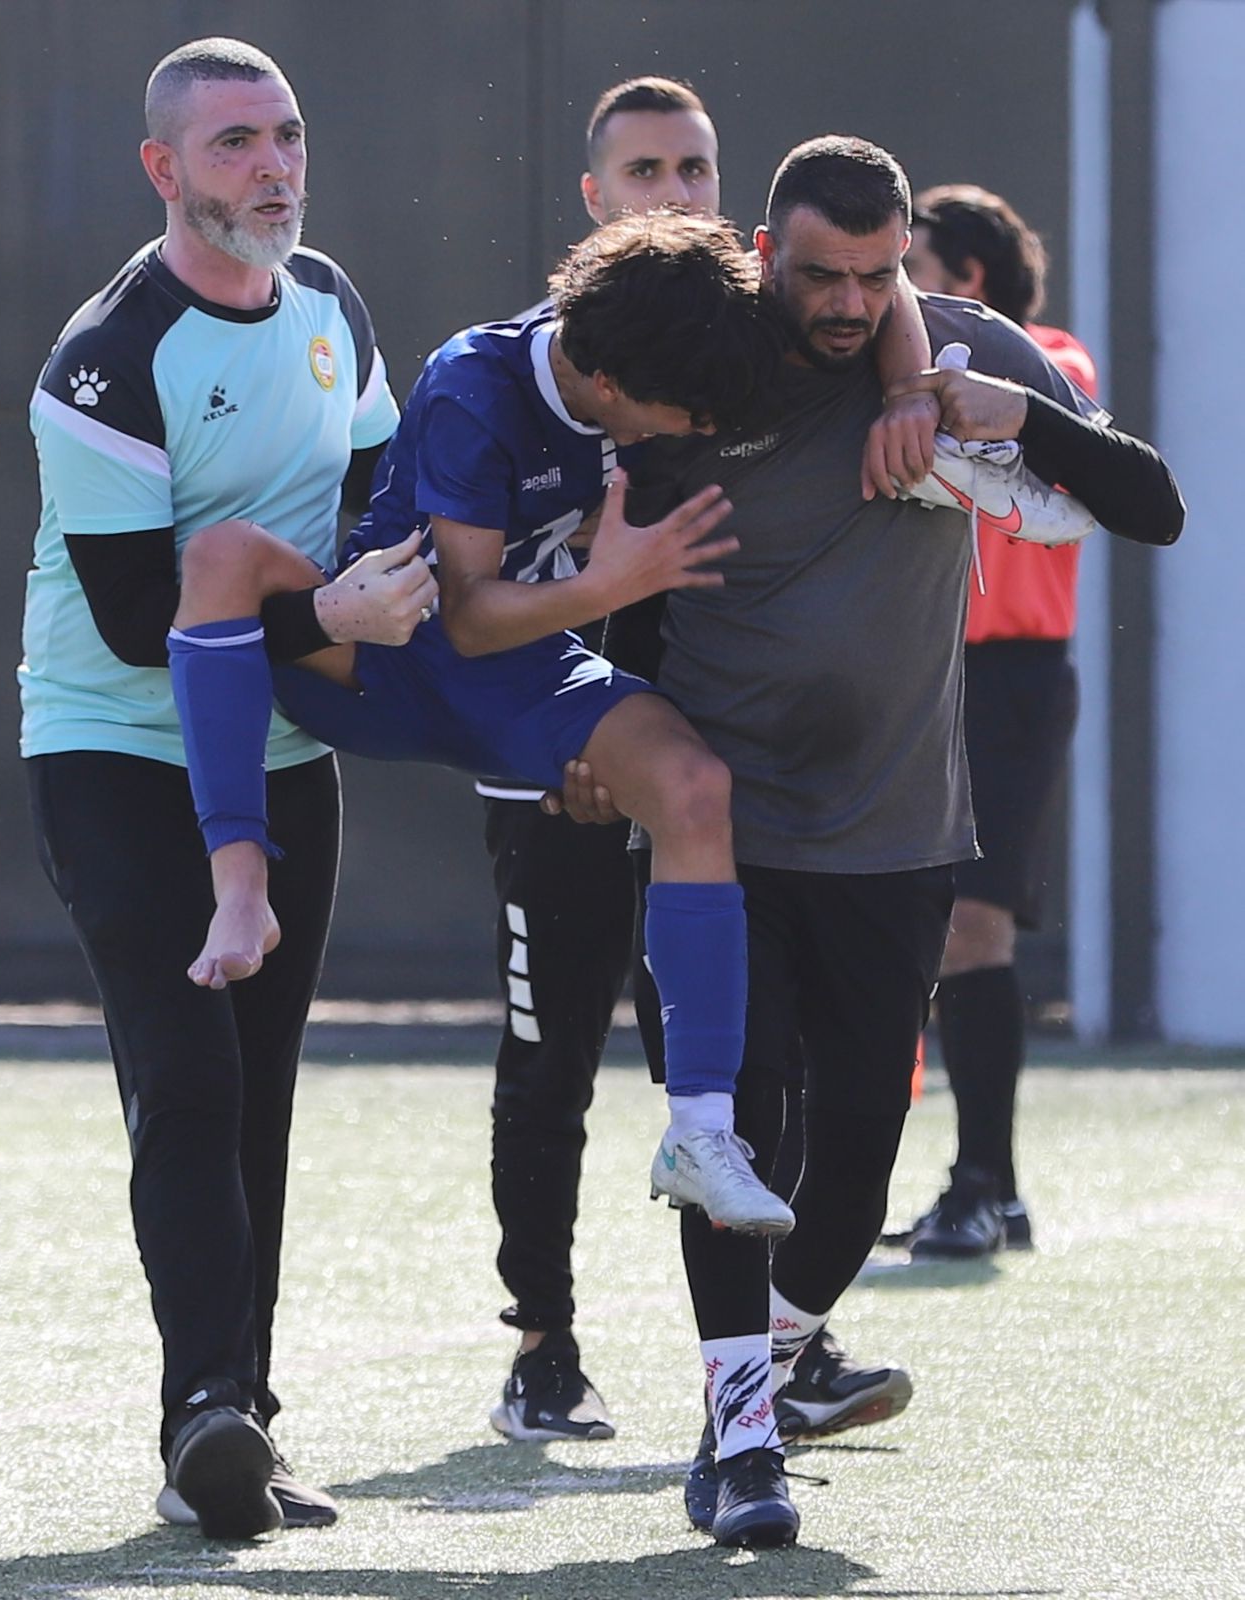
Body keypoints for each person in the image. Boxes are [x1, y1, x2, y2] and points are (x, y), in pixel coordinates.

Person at [590, 136, 1182, 1547]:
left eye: (875, 276)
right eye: (819, 274)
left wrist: (1012, 417)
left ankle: (772, 1371)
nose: (849, 304)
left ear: (907, 260)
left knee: (856, 1155)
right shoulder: (704, 353)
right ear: (763, 254)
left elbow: (1153, 508)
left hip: (897, 833)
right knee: (735, 1135)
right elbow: (622, 569)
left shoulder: (963, 351)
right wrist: (598, 740)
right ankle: (743, 1442)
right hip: (717, 834)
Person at [165, 215, 801, 1260]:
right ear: (606, 383)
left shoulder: (663, 342)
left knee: (694, 788)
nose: (694, 428)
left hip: (520, 674)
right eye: (681, 416)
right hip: (384, 653)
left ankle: (699, 1130)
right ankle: (240, 884)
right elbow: (462, 617)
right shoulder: (479, 382)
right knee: (223, 556)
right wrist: (612, 582)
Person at [481, 76, 925, 1449]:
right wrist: (568, 722)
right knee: (550, 1058)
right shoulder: (541, 358)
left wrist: (913, 384)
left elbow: (893, 295)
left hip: (702, 784)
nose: (671, 192)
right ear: (592, 201)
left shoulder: (757, 326)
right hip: (565, 751)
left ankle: (778, 1352)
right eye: (644, 172)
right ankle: (543, 1349)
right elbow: (495, 574)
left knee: (733, 1086)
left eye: (693, 171)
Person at [20, 37, 408, 1539]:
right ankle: (201, 1418)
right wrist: (332, 615)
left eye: (286, 134)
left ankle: (244, 1416)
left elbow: (379, 501)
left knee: (257, 1088)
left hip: (281, 751)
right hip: (113, 750)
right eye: (235, 142)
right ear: (162, 168)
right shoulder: (106, 359)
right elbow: (138, 622)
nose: (273, 166)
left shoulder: (333, 307)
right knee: (184, 1077)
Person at [884, 184, 1099, 1257]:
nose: (893, 291)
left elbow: (1062, 433)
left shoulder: (1049, 359)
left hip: (1008, 676)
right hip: (915, 670)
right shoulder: (895, 373)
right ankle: (983, 1190)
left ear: (967, 280)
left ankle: (982, 1184)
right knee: (910, 926)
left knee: (974, 924)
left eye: (912, 267)